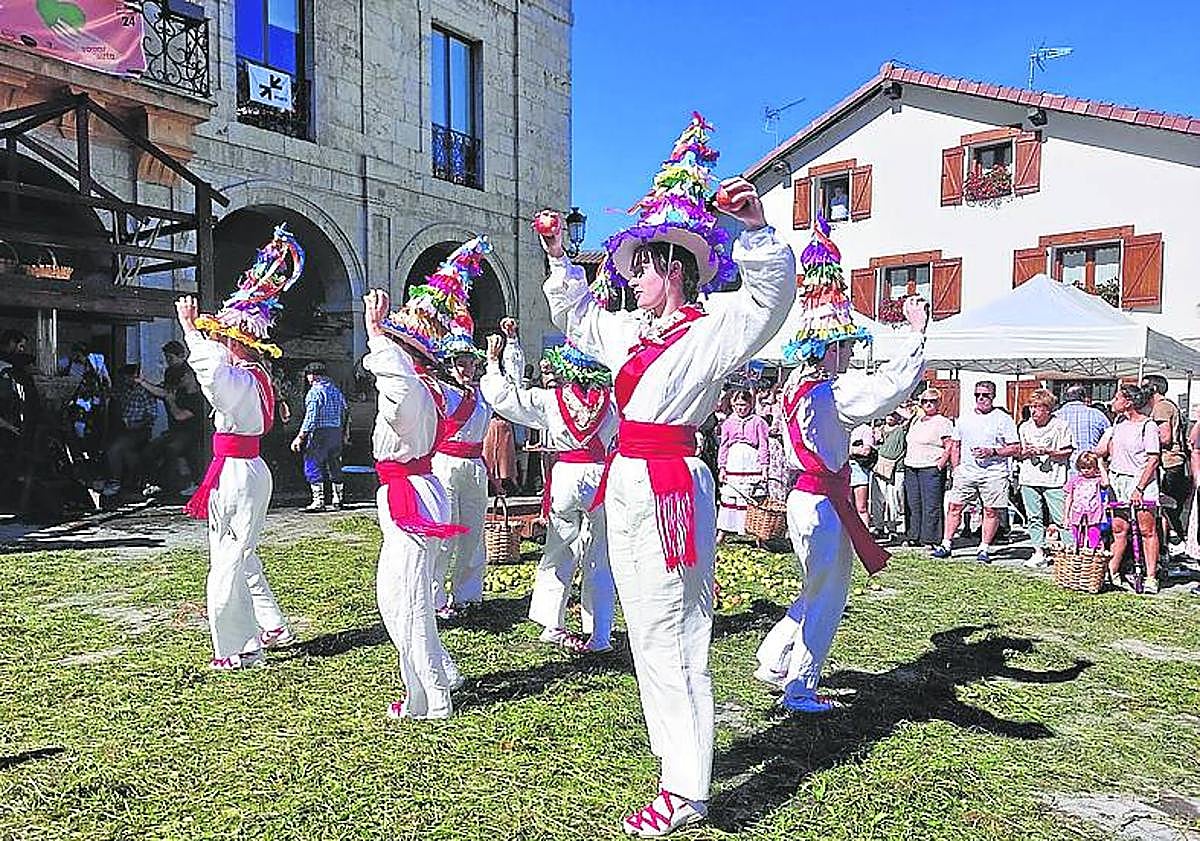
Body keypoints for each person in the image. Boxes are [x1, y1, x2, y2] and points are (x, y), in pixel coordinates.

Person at [539, 113, 794, 836]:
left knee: (676, 630)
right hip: (627, 483)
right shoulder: (627, 331)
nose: (632, 279)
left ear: (675, 270)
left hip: (672, 486)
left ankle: (686, 787)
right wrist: (559, 254)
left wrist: (756, 230)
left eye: (644, 268)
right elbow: (580, 318)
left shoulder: (711, 327)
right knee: (647, 629)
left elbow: (769, 303)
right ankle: (677, 763)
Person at [754, 217, 928, 717]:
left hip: (803, 498)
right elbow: (892, 387)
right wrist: (916, 336)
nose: (853, 352)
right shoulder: (835, 391)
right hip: (824, 501)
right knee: (828, 594)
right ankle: (801, 685)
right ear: (831, 349)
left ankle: (772, 660)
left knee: (815, 585)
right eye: (848, 346)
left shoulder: (793, 387)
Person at [365, 237, 489, 719]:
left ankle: (431, 695)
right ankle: (436, 676)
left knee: (407, 599)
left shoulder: (413, 388)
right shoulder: (432, 388)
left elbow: (394, 387)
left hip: (411, 491)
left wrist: (377, 335)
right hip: (415, 489)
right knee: (400, 595)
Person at [176, 224, 304, 669]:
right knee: (242, 553)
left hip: (236, 472)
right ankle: (271, 626)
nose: (219, 343)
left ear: (237, 343)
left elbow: (212, 378)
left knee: (227, 557)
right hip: (244, 469)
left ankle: (239, 647)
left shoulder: (240, 379)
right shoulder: (257, 379)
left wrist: (192, 334)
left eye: (224, 338)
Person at [482, 327, 617, 653]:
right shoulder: (613, 403)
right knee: (601, 555)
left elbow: (506, 397)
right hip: (601, 476)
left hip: (567, 475)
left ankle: (551, 623)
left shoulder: (551, 400)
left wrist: (493, 363)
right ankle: (599, 633)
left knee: (558, 548)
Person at [430, 295, 500, 621]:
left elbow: (506, 388)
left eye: (469, 362)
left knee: (473, 533)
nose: (464, 367)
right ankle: (436, 597)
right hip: (445, 463)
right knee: (445, 534)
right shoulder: (443, 391)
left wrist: (499, 355)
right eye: (458, 362)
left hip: (475, 464)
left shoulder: (483, 392)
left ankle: (469, 594)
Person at [933, 380, 1020, 563]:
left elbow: (1015, 448)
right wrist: (956, 469)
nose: (981, 398)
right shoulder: (965, 418)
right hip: (967, 472)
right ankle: (946, 543)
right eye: (977, 395)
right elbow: (955, 445)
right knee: (954, 506)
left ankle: (984, 547)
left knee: (990, 511)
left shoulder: (1003, 419)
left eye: (985, 395)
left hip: (994, 473)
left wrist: (993, 451)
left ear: (993, 397)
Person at [1096, 384, 1162, 593]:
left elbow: (1153, 459)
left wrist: (1140, 488)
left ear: (1129, 402)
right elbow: (1104, 451)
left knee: (1146, 530)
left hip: (1141, 480)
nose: (1113, 402)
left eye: (1117, 398)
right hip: (1118, 480)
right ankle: (1112, 571)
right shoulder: (1117, 423)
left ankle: (1151, 576)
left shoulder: (1148, 426)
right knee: (1119, 529)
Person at [1016, 388, 1075, 567]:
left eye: (1038, 407)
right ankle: (1038, 551)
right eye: (1031, 406)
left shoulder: (1060, 426)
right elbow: (1019, 452)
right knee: (1034, 517)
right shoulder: (1025, 426)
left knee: (1061, 517)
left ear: (1048, 409)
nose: (1033, 410)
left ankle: (1069, 552)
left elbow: (1068, 451)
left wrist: (1048, 452)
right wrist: (1026, 452)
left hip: (1054, 479)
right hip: (1029, 478)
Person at [138, 340, 203, 496]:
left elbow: (179, 414)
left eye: (171, 358)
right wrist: (142, 382)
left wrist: (171, 400)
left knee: (172, 449)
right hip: (174, 429)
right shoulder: (171, 374)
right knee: (150, 450)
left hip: (191, 430)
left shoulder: (196, 397)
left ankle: (176, 485)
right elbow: (165, 392)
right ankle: (155, 483)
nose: (169, 361)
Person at [291, 360, 348, 512]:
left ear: (312, 376)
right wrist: (344, 432)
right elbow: (345, 411)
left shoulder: (315, 393)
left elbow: (311, 417)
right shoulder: (336, 391)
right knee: (335, 463)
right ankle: (338, 499)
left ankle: (318, 501)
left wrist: (300, 437)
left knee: (312, 463)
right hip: (336, 431)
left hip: (320, 433)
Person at [1142, 374, 1189, 544]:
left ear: (1153, 388)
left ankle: (1177, 543)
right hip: (1172, 462)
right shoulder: (1164, 406)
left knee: (1168, 507)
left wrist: (1144, 440)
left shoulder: (1162, 407)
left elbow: (1165, 437)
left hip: (1169, 462)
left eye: (1144, 386)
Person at [716, 389, 770, 540]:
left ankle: (749, 529)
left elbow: (763, 445)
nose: (740, 408)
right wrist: (722, 467)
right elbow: (724, 446)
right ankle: (724, 530)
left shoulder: (758, 422)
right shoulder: (728, 423)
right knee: (730, 494)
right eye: (737, 405)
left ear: (750, 404)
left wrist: (764, 467)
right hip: (734, 461)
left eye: (743, 405)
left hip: (751, 461)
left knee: (749, 494)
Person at [903, 388, 954, 547]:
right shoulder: (916, 420)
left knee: (931, 504)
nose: (928, 404)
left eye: (932, 401)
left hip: (931, 466)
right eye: (925, 401)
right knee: (913, 503)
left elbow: (950, 445)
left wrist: (941, 463)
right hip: (912, 465)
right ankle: (913, 535)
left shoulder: (943, 422)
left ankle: (930, 538)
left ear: (939, 403)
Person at [105, 364, 157, 497]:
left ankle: (115, 481)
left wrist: (137, 424)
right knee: (126, 452)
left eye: (128, 377)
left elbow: (151, 416)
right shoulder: (124, 390)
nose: (125, 380)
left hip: (140, 429)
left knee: (115, 448)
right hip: (124, 428)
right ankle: (134, 480)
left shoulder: (145, 392)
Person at [870, 409, 909, 540]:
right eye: (889, 413)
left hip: (897, 468)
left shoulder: (902, 429)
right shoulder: (877, 429)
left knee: (893, 499)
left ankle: (892, 528)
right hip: (880, 467)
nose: (891, 416)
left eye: (894, 414)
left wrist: (895, 405)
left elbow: (910, 417)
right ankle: (878, 526)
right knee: (878, 499)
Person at [1057, 384, 1110, 476]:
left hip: (1062, 471)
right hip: (1090, 469)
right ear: (1083, 397)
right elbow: (1110, 437)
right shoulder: (1097, 415)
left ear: (1065, 397)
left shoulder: (1056, 416)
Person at [1063, 451, 1107, 550]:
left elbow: (1106, 483)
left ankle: (1093, 554)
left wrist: (1100, 465)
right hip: (1077, 512)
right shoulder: (1074, 480)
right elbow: (1069, 497)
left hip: (1093, 513)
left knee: (1094, 536)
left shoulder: (1098, 479)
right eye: (1083, 467)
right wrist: (1066, 516)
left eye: (1089, 468)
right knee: (1077, 538)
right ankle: (1079, 556)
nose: (1086, 470)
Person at [848, 421, 875, 527]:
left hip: (859, 470)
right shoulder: (844, 426)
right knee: (847, 507)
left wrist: (850, 450)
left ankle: (865, 536)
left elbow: (866, 451)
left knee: (861, 507)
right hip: (844, 468)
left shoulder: (865, 429)